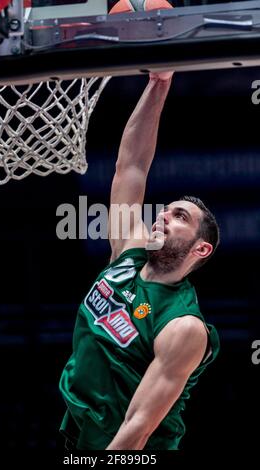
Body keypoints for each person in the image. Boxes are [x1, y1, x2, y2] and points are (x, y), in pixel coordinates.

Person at [59, 71, 220, 450]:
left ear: (201, 249)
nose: (163, 216)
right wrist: (159, 82)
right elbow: (131, 165)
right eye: (165, 211)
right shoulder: (127, 252)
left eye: (180, 217)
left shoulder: (184, 326)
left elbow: (138, 426)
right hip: (79, 437)